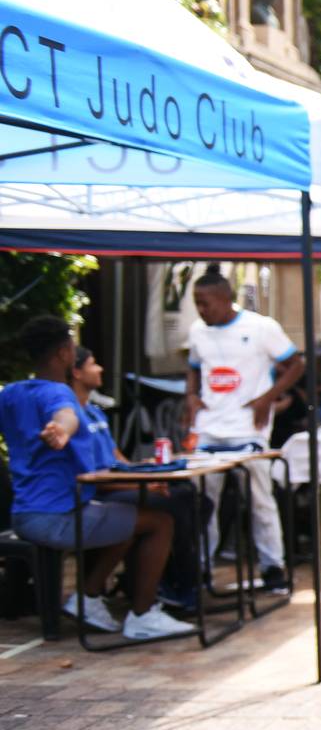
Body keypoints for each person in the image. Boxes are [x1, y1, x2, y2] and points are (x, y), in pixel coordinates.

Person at [1, 319, 195, 640]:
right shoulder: (58, 393)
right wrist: (61, 429)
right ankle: (143, 615)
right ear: (65, 353)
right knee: (160, 522)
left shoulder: (12, 393)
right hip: (57, 519)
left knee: (128, 516)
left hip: (24, 513)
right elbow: (66, 414)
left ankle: (88, 597)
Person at [184, 271, 305, 594]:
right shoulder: (198, 331)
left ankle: (273, 567)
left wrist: (268, 397)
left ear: (225, 300)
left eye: (204, 303)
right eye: (196, 303)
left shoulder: (261, 328)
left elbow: (296, 364)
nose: (200, 310)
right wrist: (191, 396)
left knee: (260, 502)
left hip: (247, 431)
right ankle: (200, 571)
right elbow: (194, 367)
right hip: (209, 431)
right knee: (202, 504)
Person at [70, 347, 201, 613]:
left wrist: (146, 474)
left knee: (188, 495)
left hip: (117, 484)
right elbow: (91, 476)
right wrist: (140, 484)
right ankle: (169, 588)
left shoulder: (95, 412)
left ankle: (175, 580)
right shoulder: (71, 418)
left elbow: (119, 461)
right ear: (76, 372)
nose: (100, 369)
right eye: (94, 364)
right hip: (98, 493)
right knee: (172, 505)